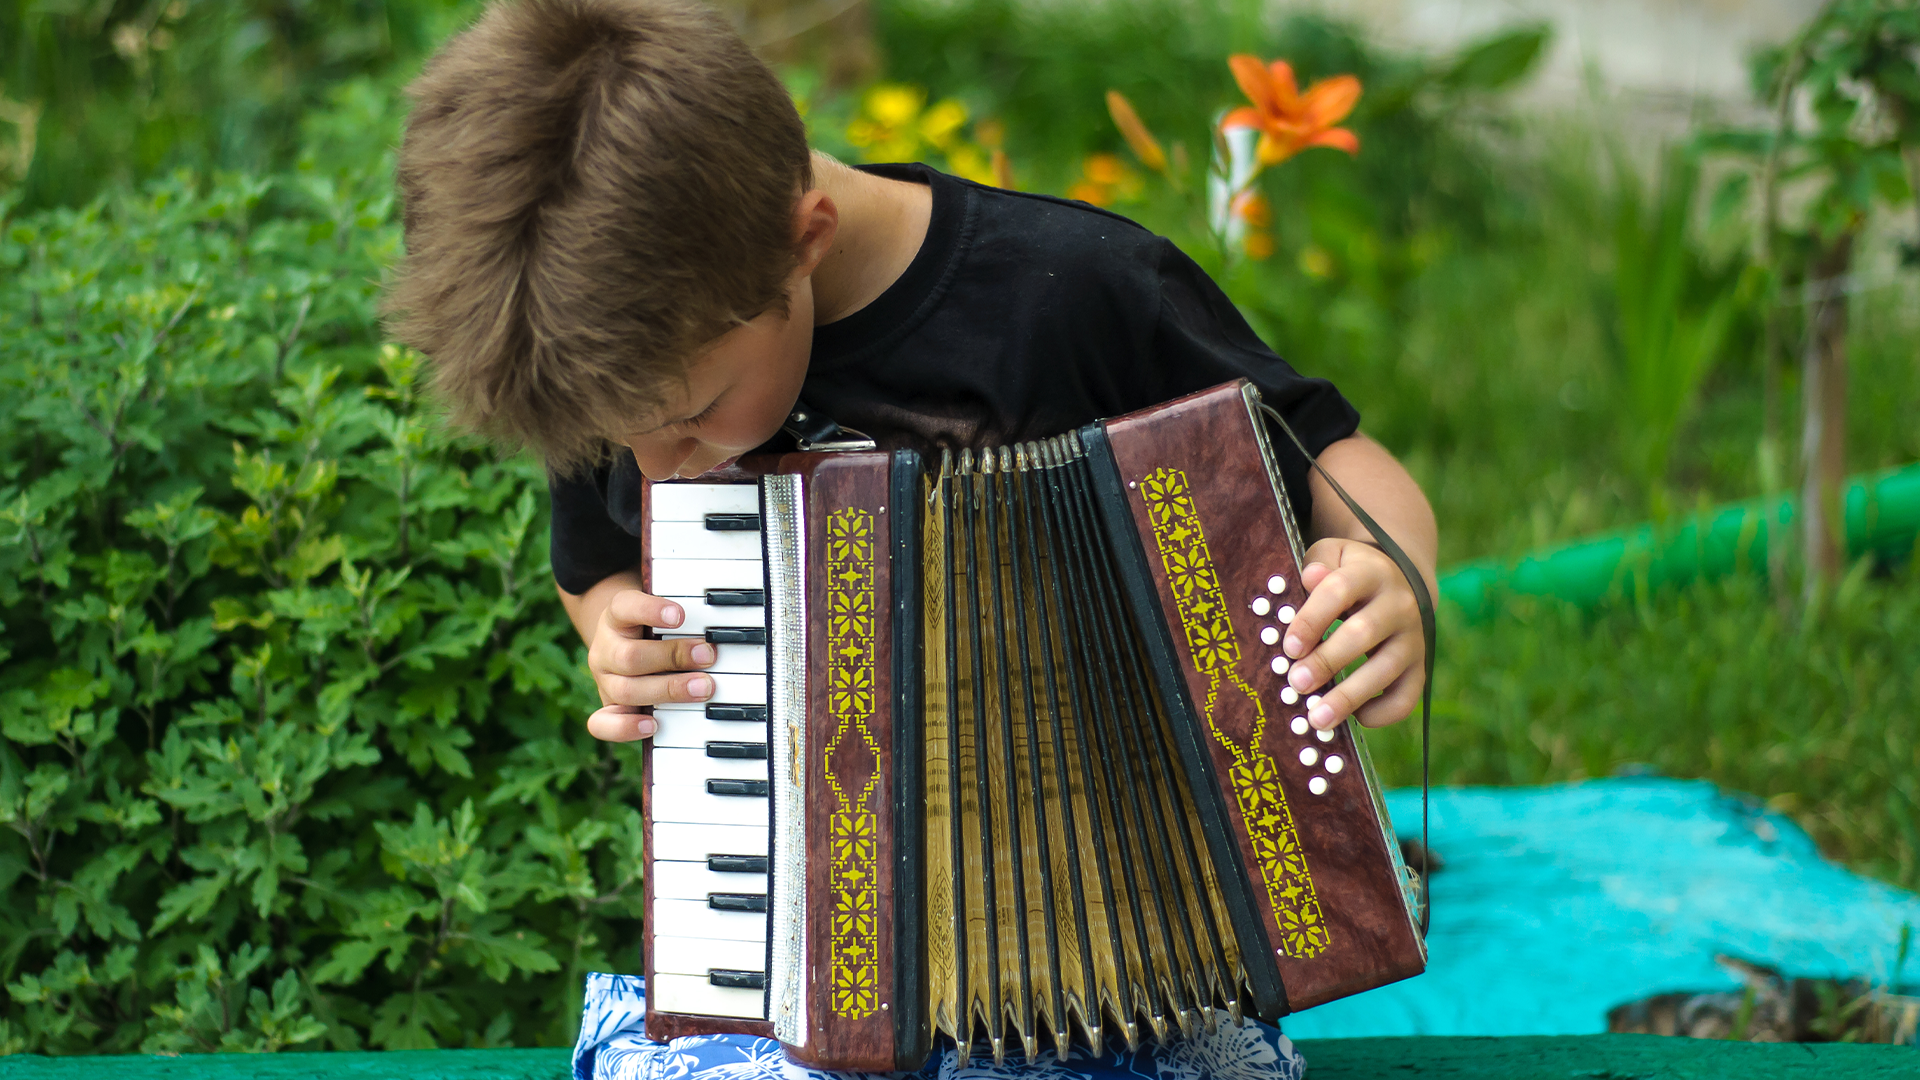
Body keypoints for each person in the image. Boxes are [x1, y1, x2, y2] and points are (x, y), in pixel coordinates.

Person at [385, 0, 1436, 749]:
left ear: (806, 240)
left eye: (696, 418)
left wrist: (1392, 581)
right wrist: (615, 633)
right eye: (626, 445)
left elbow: (1328, 452)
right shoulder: (616, 366)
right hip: (808, 884)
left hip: (1136, 879)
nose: (659, 475)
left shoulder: (1074, 291)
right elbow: (597, 569)